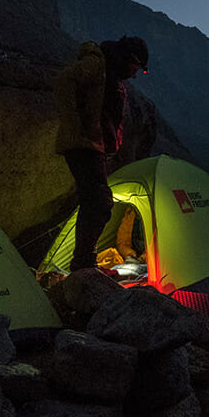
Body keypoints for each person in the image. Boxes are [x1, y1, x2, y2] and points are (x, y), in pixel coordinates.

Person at [54, 35, 149, 271]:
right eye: (137, 68)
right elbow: (64, 80)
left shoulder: (111, 74)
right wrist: (75, 127)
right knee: (99, 201)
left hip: (94, 148)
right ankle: (84, 263)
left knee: (93, 201)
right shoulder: (97, 64)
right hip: (84, 146)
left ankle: (84, 261)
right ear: (131, 58)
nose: (136, 74)